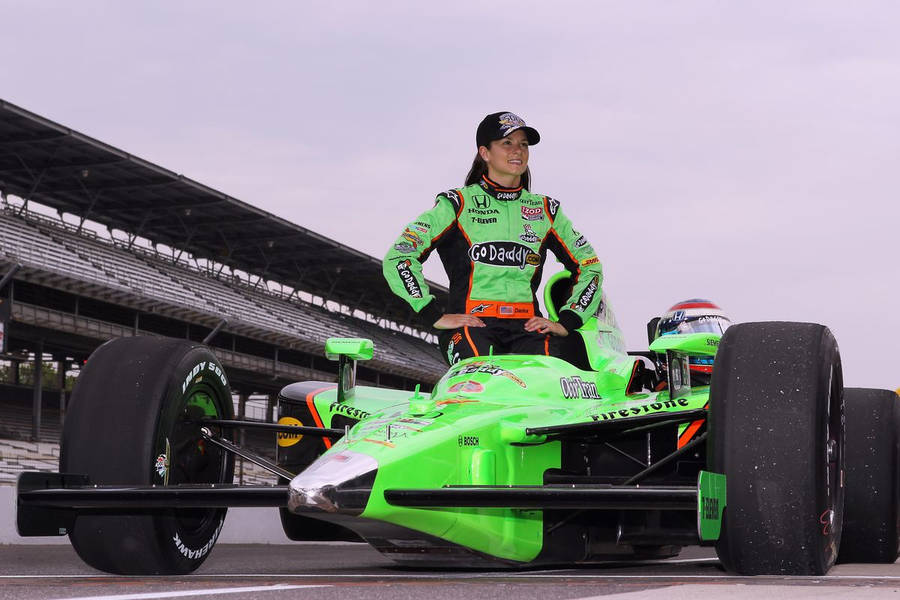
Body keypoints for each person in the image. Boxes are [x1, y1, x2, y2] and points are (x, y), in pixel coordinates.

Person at [383, 111, 604, 365]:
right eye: (507, 143)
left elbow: (590, 265)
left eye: (523, 144)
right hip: (472, 326)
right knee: (484, 380)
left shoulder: (546, 210)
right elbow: (400, 256)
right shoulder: (456, 204)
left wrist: (568, 321)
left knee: (567, 369)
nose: (518, 151)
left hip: (529, 327)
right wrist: (431, 313)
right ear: (485, 153)